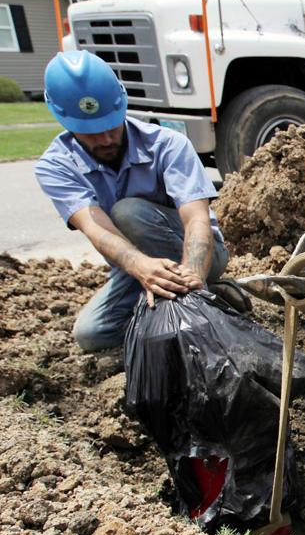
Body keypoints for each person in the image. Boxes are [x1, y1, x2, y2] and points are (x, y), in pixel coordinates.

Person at [35, 50, 232, 352]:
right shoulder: (56, 166)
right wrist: (142, 268)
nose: (104, 140)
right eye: (90, 133)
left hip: (202, 255)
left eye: (111, 126)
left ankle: (199, 297)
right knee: (92, 333)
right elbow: (94, 227)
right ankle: (199, 302)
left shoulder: (167, 144)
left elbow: (196, 218)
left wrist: (193, 276)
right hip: (134, 265)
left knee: (127, 212)